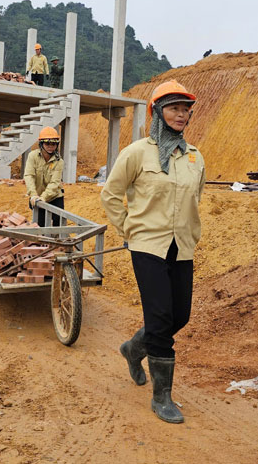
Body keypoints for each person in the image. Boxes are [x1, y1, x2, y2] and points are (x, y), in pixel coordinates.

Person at [100, 80, 205, 424]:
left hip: (182, 246)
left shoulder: (194, 156)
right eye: (174, 108)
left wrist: (189, 232)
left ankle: (134, 348)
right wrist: (128, 229)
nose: (182, 114)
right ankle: (162, 398)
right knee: (160, 320)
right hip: (147, 245)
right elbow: (111, 194)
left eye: (186, 109)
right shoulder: (136, 153)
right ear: (157, 112)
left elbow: (195, 198)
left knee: (180, 316)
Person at [25, 126, 64, 227]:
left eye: (53, 144)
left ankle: (56, 242)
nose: (50, 146)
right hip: (37, 196)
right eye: (47, 143)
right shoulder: (32, 156)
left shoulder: (59, 162)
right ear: (41, 144)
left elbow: (54, 182)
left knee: (58, 225)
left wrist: (43, 198)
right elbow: (29, 176)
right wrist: (33, 194)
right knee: (40, 225)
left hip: (55, 196)